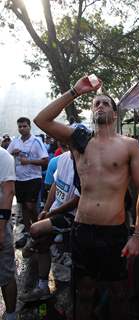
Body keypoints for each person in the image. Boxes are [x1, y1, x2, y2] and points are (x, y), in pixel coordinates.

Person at [34, 75, 139, 319]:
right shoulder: (79, 142)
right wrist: (75, 91)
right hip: (83, 230)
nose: (100, 106)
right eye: (96, 103)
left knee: (119, 292)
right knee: (84, 292)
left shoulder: (129, 145)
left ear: (115, 114)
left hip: (114, 232)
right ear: (91, 111)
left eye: (105, 103)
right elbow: (41, 120)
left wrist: (138, 234)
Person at [20, 149, 80, 302]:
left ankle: (31, 242)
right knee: (43, 243)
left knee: (35, 229)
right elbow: (55, 184)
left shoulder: (85, 162)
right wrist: (46, 209)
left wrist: (52, 213)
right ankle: (43, 286)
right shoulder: (63, 158)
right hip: (57, 210)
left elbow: (76, 200)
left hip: (72, 215)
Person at [7, 117, 49, 246]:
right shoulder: (15, 142)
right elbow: (6, 156)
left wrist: (29, 161)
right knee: (23, 206)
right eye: (20, 126)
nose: (22, 129)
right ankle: (28, 232)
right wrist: (13, 154)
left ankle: (39, 227)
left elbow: (45, 161)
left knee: (30, 205)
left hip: (33, 178)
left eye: (24, 126)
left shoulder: (36, 141)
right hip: (19, 178)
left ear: (29, 127)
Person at [0, 146, 17, 320]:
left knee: (5, 273)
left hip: (0, 222)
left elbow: (8, 192)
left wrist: (1, 229)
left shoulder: (3, 157)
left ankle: (11, 314)